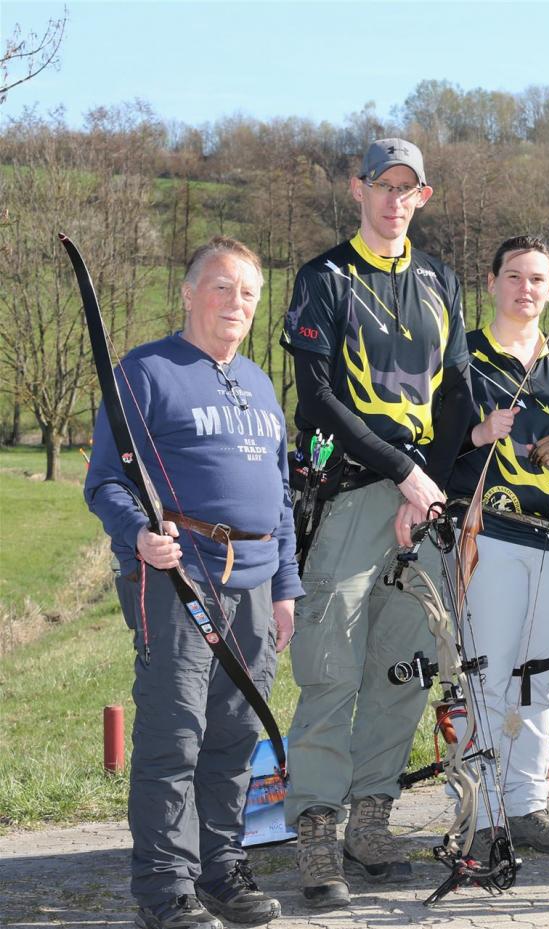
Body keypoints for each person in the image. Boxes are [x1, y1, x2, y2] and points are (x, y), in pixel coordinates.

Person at [86, 237, 299, 929]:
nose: (236, 302)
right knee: (174, 734)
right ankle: (164, 887)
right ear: (187, 293)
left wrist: (286, 587)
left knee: (235, 736)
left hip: (256, 586)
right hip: (178, 579)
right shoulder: (145, 372)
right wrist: (138, 536)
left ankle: (220, 869)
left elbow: (282, 496)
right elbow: (106, 480)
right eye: (222, 286)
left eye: (248, 292)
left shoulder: (261, 383)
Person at [281, 138, 467, 907]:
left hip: (420, 507)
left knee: (403, 668)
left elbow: (456, 394)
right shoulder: (324, 278)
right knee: (331, 668)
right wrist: (402, 474)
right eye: (381, 185)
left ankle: (370, 821)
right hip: (350, 494)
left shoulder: (440, 280)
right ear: (357, 189)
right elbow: (318, 399)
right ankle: (317, 831)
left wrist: (432, 490)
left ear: (423, 196)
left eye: (406, 187)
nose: (394, 200)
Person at [425, 235, 549, 855]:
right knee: (487, 674)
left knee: (540, 677)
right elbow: (430, 444)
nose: (525, 289)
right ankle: (480, 814)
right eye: (514, 276)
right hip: (492, 532)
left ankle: (527, 806)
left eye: (537, 279)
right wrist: (480, 432)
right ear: (493, 282)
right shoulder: (463, 358)